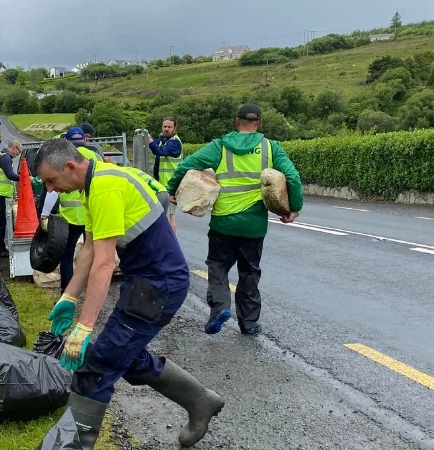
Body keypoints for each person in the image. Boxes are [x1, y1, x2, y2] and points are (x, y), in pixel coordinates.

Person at [33, 139, 225, 449]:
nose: (52, 190)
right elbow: (91, 249)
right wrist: (69, 296)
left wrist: (83, 328)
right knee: (124, 355)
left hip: (157, 286)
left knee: (97, 367)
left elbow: (105, 263)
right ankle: (201, 401)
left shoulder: (106, 188)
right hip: (146, 282)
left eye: (51, 181)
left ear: (69, 166)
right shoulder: (95, 184)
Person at [166, 104, 303, 335]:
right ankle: (248, 324)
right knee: (249, 272)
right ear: (258, 122)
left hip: (223, 222)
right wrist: (294, 208)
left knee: (218, 266)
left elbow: (187, 165)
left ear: (236, 121)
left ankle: (220, 307)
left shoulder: (220, 146)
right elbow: (292, 177)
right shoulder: (271, 147)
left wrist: (172, 188)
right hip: (254, 224)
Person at [39, 127, 100, 292]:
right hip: (92, 216)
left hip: (71, 218)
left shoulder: (62, 159)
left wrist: (44, 213)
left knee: (67, 255)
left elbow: (52, 192)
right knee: (94, 254)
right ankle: (94, 289)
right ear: (85, 139)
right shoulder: (95, 156)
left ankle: (67, 292)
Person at [144, 117, 182, 234]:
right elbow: (155, 144)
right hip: (161, 183)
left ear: (175, 128)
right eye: (164, 126)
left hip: (171, 184)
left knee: (171, 215)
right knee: (163, 214)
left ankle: (171, 240)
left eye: (169, 127)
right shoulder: (163, 140)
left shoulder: (174, 142)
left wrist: (149, 139)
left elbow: (159, 151)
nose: (166, 129)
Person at [0, 140, 22, 258]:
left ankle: (0, 248)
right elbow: (10, 175)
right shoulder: (5, 158)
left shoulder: (2, 157)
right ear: (15, 148)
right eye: (19, 151)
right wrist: (26, 177)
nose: (18, 154)